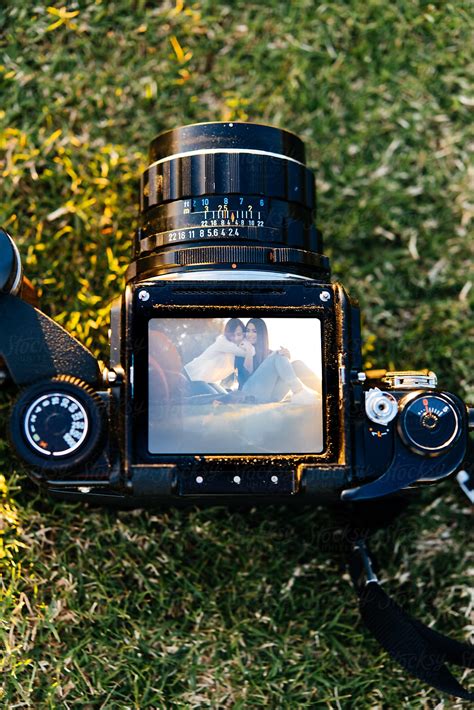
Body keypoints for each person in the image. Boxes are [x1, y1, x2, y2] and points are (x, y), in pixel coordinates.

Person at [239, 318, 321, 404]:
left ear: (262, 333)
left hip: (271, 397)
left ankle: (325, 390)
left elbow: (285, 372)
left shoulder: (269, 354)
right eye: (248, 331)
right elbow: (245, 376)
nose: (250, 334)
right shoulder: (240, 350)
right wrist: (248, 351)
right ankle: (298, 391)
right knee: (278, 353)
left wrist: (286, 358)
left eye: (254, 331)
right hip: (249, 394)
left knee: (297, 364)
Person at [184, 318, 255, 389]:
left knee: (224, 396)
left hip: (207, 382)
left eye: (239, 334)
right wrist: (248, 344)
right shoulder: (223, 342)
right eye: (232, 335)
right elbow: (250, 353)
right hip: (189, 376)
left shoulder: (235, 349)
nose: (236, 338)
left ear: (243, 334)